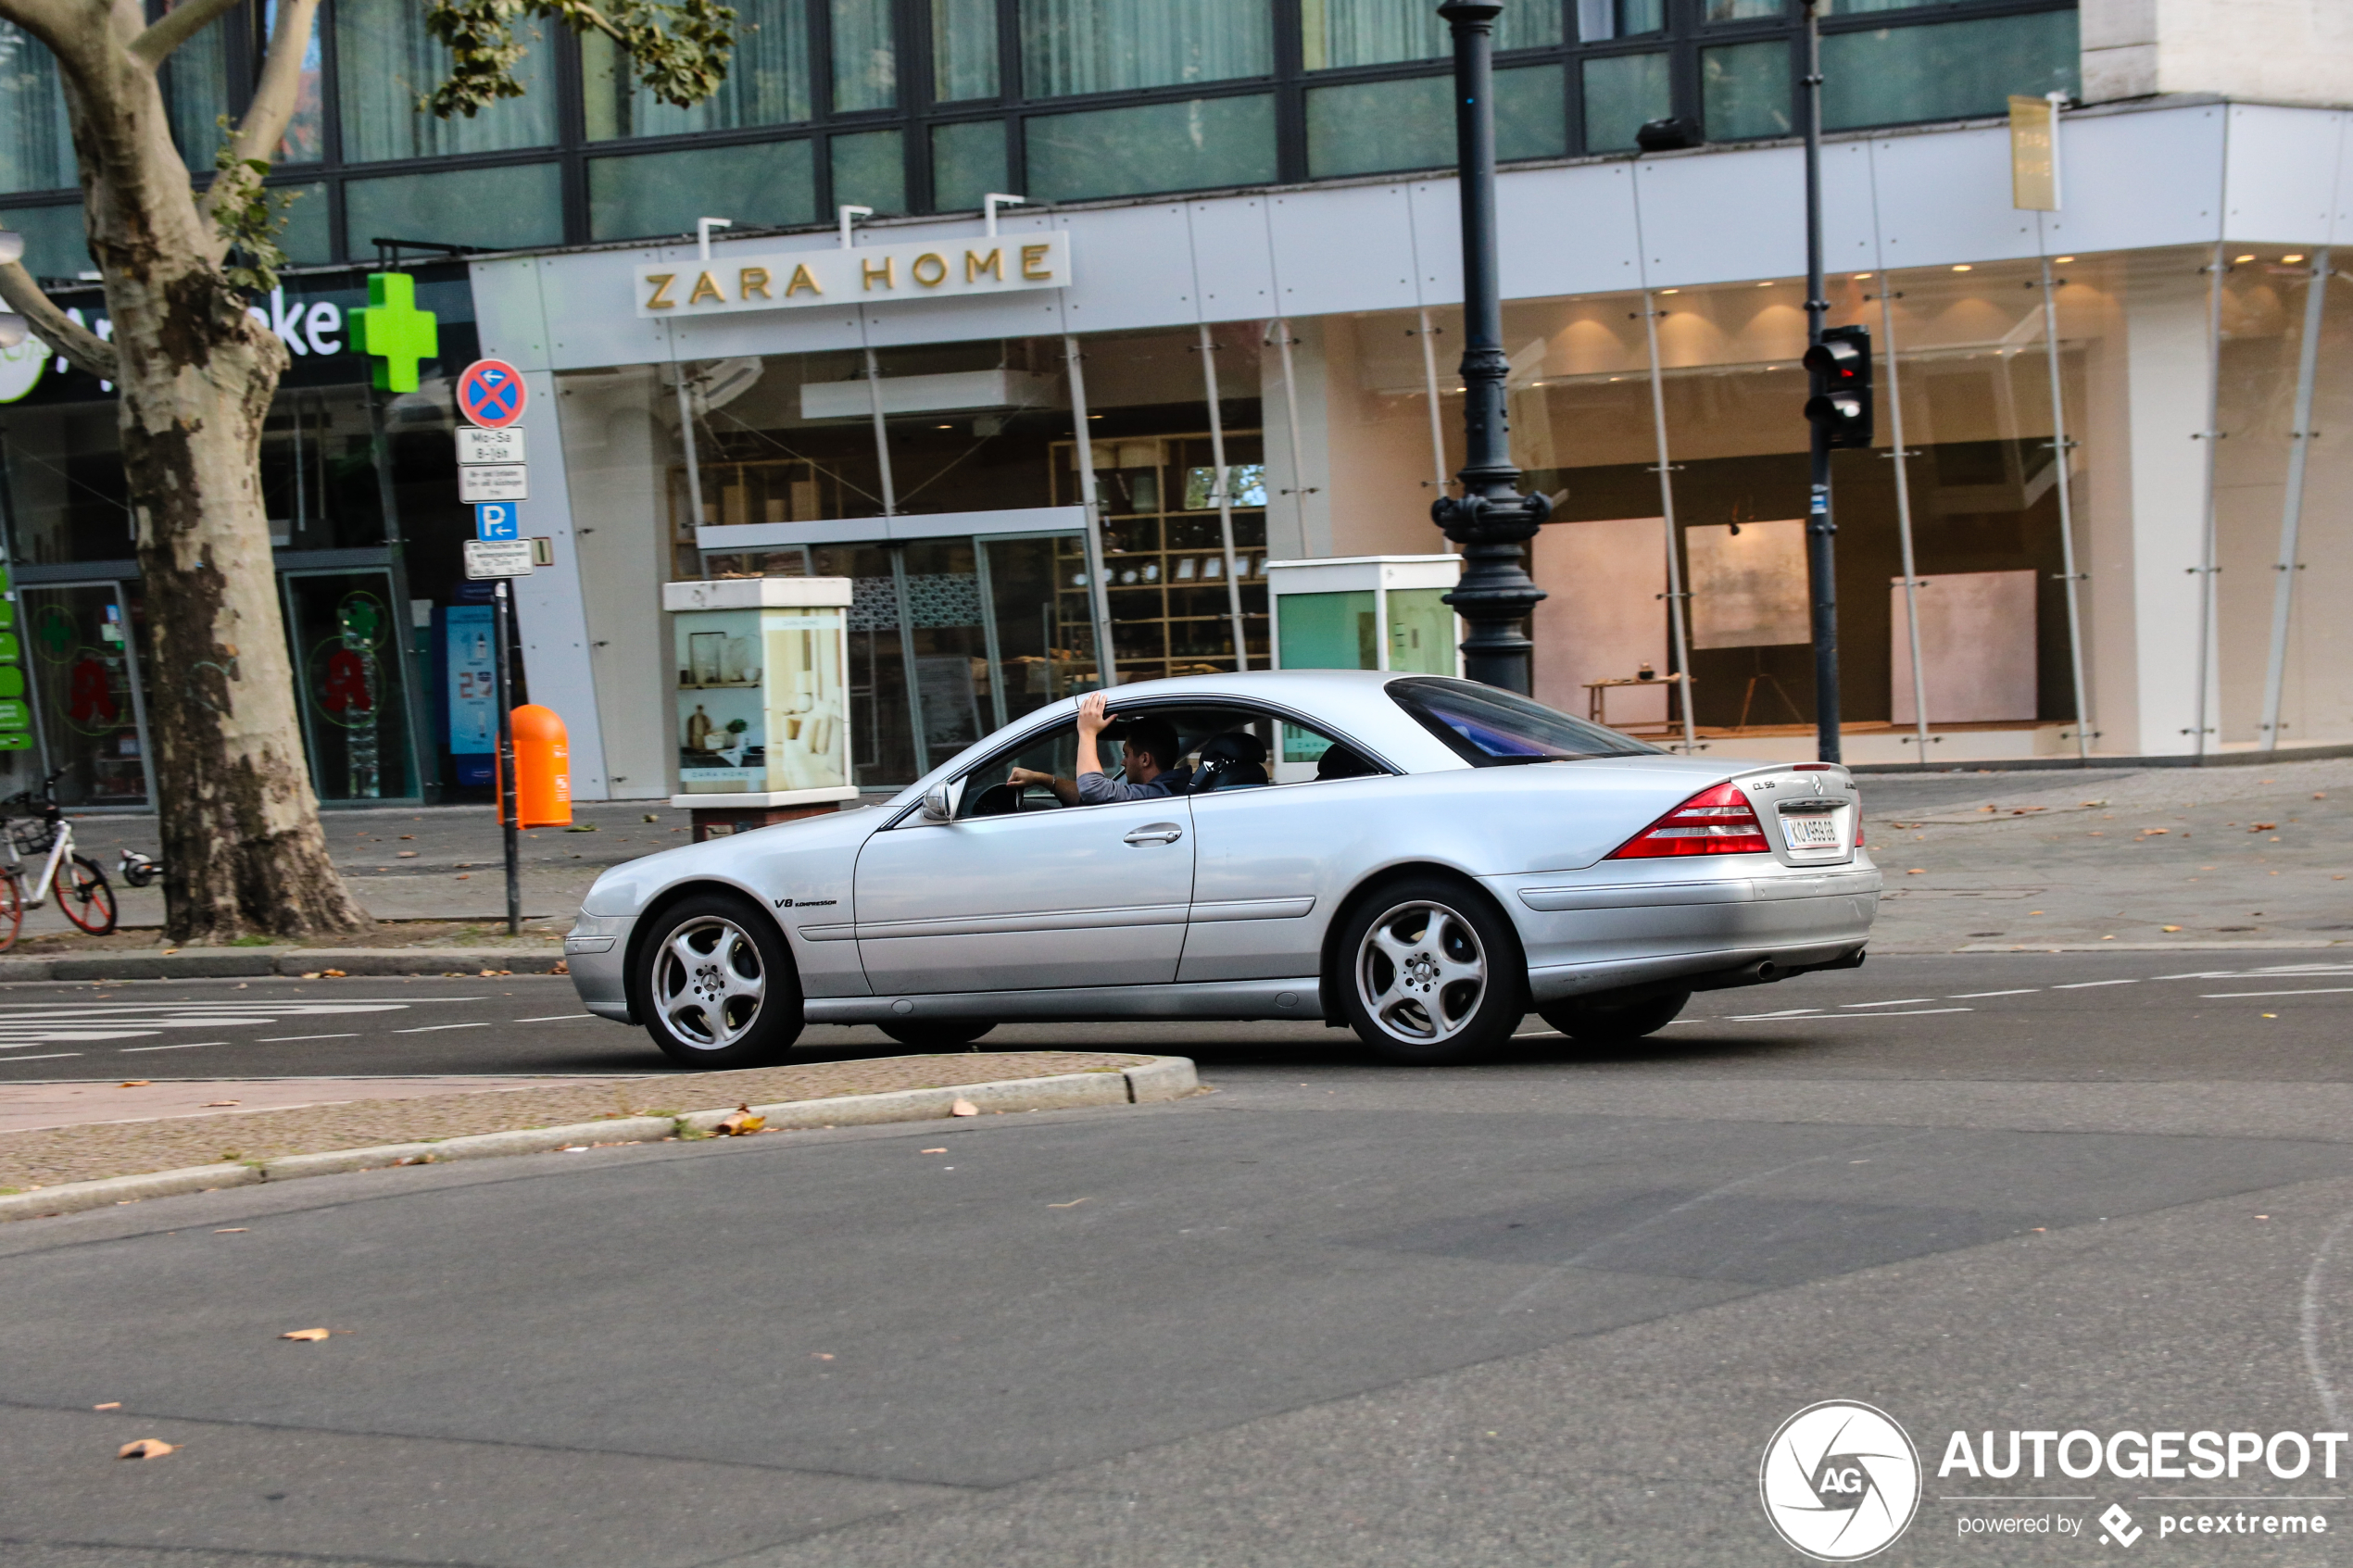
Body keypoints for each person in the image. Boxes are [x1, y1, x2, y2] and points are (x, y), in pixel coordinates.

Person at [1008, 692, 1191, 806]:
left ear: (1145, 759)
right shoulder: (1161, 791)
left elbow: (1094, 790)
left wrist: (1087, 732)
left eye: (1126, 754)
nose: (1122, 762)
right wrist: (1043, 779)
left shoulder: (1160, 795)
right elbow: (1091, 797)